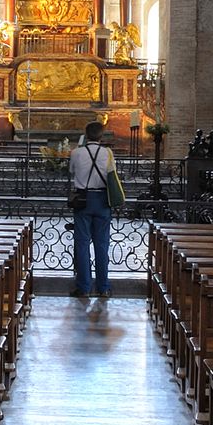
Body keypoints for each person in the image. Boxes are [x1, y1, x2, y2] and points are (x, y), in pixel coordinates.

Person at [68, 119, 116, 298]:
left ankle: (84, 287)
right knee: (102, 245)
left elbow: (71, 171)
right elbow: (112, 175)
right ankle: (103, 288)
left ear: (85, 135)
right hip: (103, 200)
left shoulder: (76, 153)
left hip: (83, 199)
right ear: (101, 136)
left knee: (81, 244)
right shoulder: (108, 153)